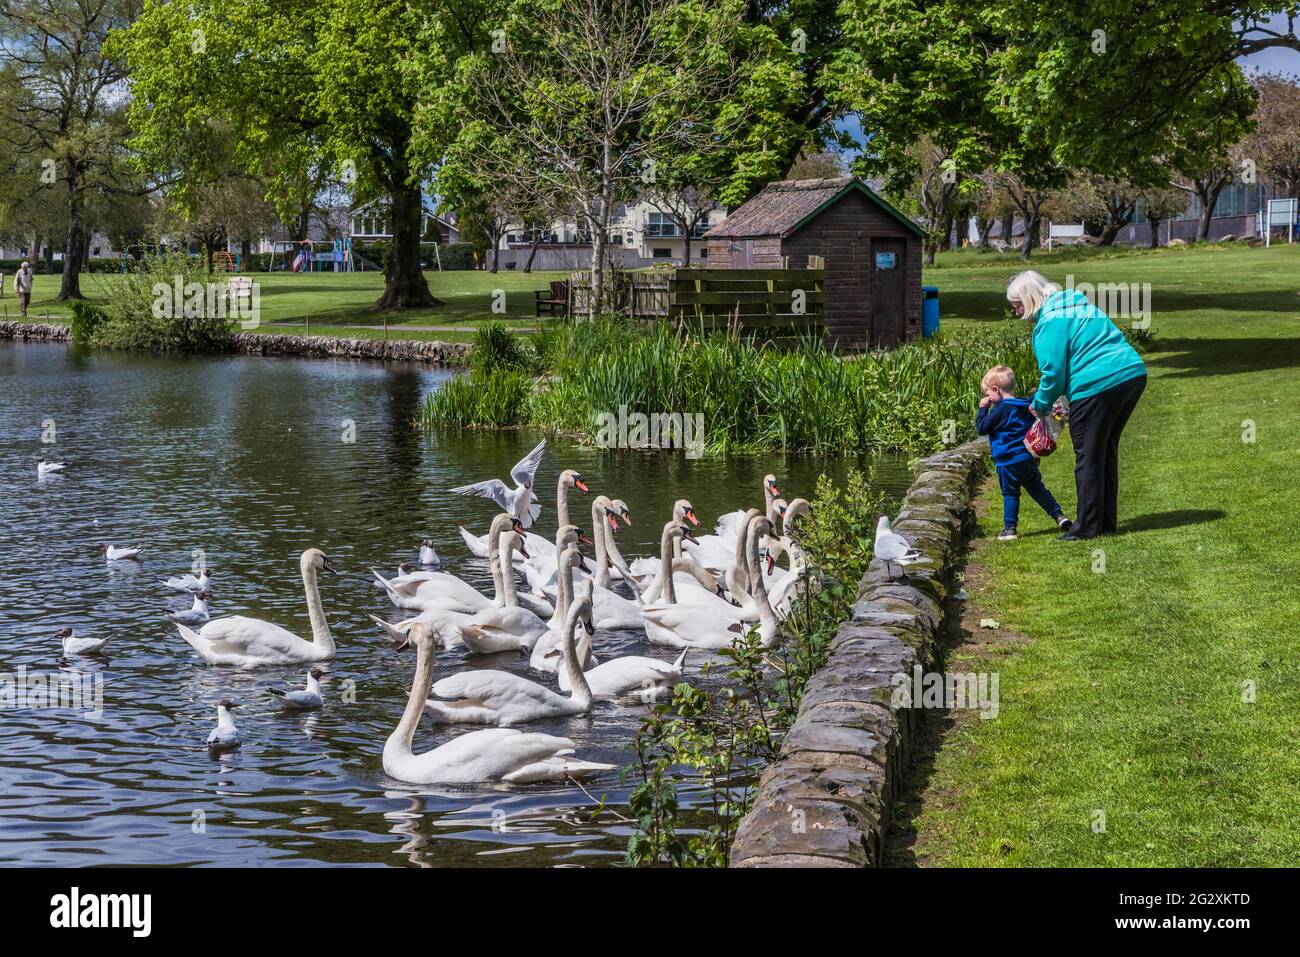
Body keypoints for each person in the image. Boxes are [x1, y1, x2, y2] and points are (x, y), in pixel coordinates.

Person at [1006, 271, 1147, 540]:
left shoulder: (1049, 322)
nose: (1017, 312)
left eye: (1017, 305)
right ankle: (1104, 522)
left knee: (1087, 456)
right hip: (1131, 374)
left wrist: (1040, 403)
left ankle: (1086, 528)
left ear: (1029, 298)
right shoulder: (1077, 304)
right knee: (1104, 450)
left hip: (1097, 384)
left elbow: (1053, 374)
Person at [977, 365, 1072, 541]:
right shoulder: (1024, 406)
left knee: (1010, 493)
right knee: (1037, 489)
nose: (987, 398)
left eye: (988, 393)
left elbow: (982, 428)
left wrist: (983, 409)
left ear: (996, 389)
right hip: (1026, 457)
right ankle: (1060, 516)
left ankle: (1009, 529)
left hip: (1007, 461)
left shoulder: (1000, 409)